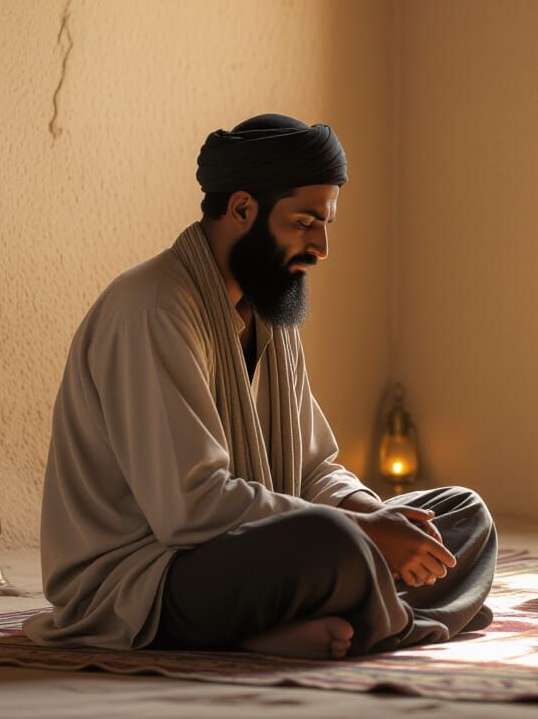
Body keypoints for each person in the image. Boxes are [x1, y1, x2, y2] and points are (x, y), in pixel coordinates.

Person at [25, 113, 495, 657]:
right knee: (335, 542)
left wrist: (376, 516)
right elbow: (191, 508)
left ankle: (331, 623)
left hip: (255, 554)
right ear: (243, 209)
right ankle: (389, 620)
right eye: (304, 222)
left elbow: (314, 468)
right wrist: (364, 534)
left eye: (326, 225)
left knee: (463, 516)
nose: (321, 247)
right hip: (147, 580)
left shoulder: (269, 305)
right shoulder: (153, 309)